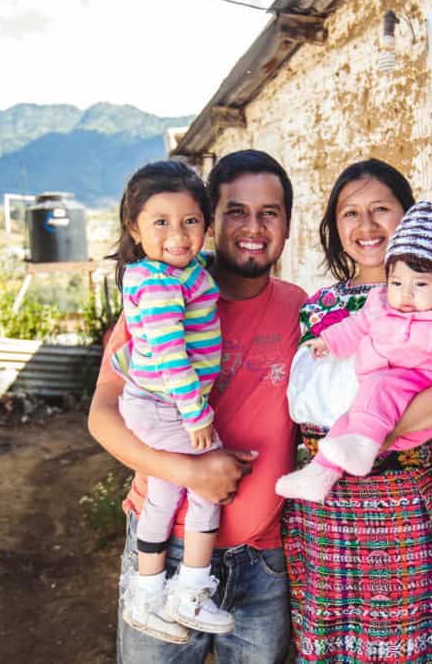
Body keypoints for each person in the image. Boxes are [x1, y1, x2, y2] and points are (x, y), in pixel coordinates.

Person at [281, 159, 432, 663]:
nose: (365, 226)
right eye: (350, 213)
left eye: (381, 210)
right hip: (326, 505)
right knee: (332, 631)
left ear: (407, 217)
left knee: (410, 634)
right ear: (334, 225)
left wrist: (379, 434)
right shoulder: (319, 305)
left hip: (402, 495)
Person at [88, 150, 307, 663]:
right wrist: (190, 471)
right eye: (236, 211)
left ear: (287, 224)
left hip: (263, 559)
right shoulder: (161, 297)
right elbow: (102, 415)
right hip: (164, 554)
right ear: (213, 222)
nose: (252, 227)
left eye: (269, 212)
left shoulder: (303, 309)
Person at [276, 201, 432, 502]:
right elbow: (357, 326)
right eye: (397, 282)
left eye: (420, 284)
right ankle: (318, 475)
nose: (405, 293)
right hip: (376, 398)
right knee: (347, 420)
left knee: (378, 391)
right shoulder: (381, 304)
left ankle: (363, 447)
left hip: (419, 389)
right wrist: (330, 343)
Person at [110, 161, 233, 641]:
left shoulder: (173, 271)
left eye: (190, 222)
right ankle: (190, 591)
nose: (178, 235)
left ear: (205, 224)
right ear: (134, 228)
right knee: (207, 485)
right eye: (160, 222)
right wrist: (195, 413)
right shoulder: (160, 284)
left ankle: (146, 594)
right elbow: (172, 357)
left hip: (155, 402)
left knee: (162, 492)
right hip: (170, 404)